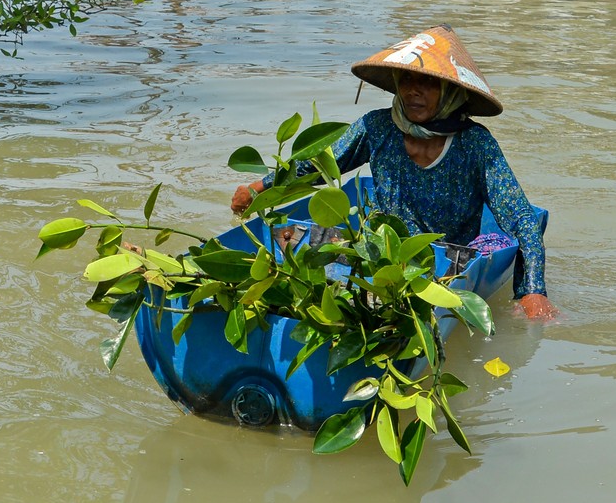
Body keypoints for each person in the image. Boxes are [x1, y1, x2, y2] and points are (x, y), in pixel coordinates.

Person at [231, 25, 557, 321]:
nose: (414, 90)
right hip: (380, 254)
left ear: (450, 91)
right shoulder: (377, 127)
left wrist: (532, 291)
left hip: (444, 262)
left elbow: (522, 220)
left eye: (428, 82)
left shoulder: (475, 144)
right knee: (285, 241)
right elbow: (317, 165)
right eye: (408, 80)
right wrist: (260, 187)